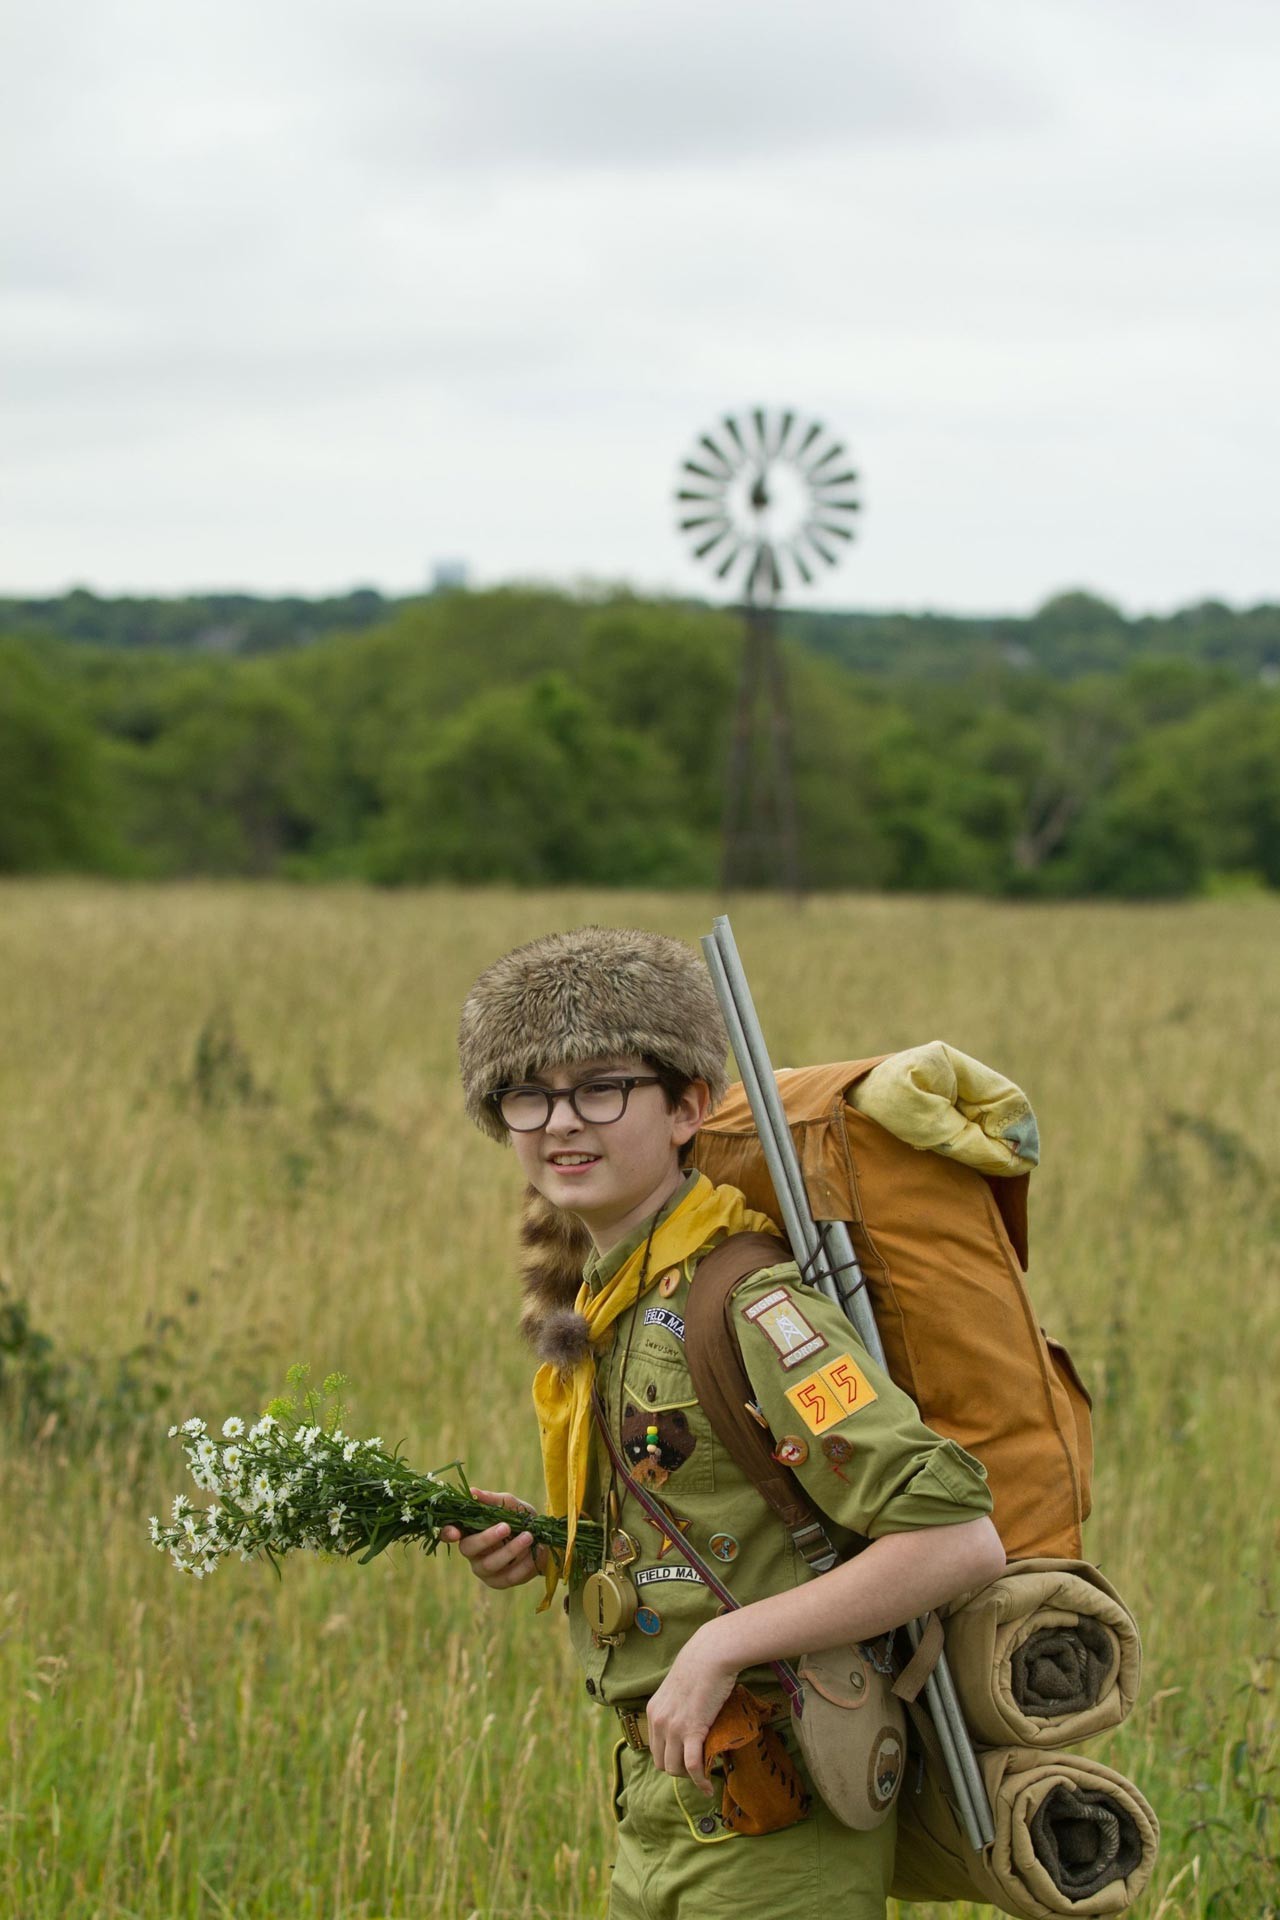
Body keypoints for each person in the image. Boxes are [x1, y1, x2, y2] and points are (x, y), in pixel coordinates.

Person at [444, 926, 1006, 1919]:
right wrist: (546, 1541)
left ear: (685, 1108)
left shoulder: (749, 1307)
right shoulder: (609, 1305)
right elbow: (697, 1514)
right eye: (528, 1093)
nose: (560, 1123)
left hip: (779, 1808)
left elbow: (956, 1540)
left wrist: (720, 1648)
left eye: (601, 1087)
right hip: (658, 1806)